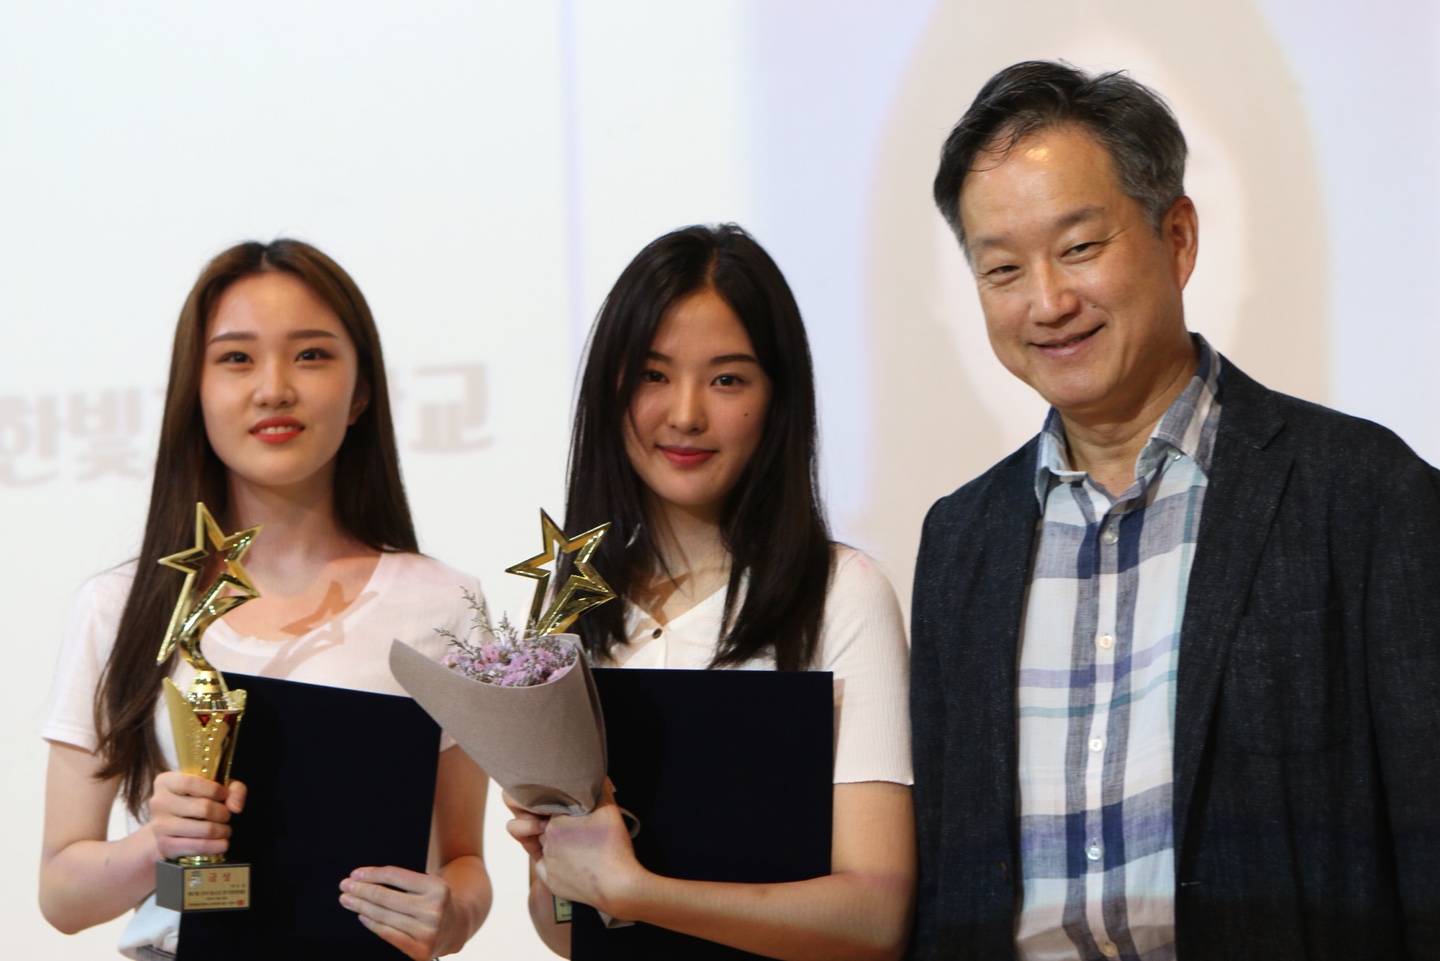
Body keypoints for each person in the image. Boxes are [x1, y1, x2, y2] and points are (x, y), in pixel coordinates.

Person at [909, 59, 1440, 961]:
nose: (1048, 301)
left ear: (1179, 237)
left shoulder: (1364, 491)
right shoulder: (959, 540)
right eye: (1002, 269)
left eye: (1081, 247)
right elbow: (946, 891)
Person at [39, 239, 493, 960]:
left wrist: (456, 914)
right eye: (237, 358)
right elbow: (62, 894)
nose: (274, 388)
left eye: (310, 355)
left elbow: (464, 858)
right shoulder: (121, 606)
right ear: (195, 389)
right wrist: (157, 844)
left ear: (362, 391)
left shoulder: (445, 604)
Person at [506, 223, 915, 960]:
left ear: (777, 397)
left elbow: (875, 918)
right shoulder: (572, 606)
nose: (686, 413)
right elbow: (566, 932)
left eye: (727, 379)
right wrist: (553, 862)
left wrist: (635, 891)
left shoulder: (842, 595)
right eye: (653, 375)